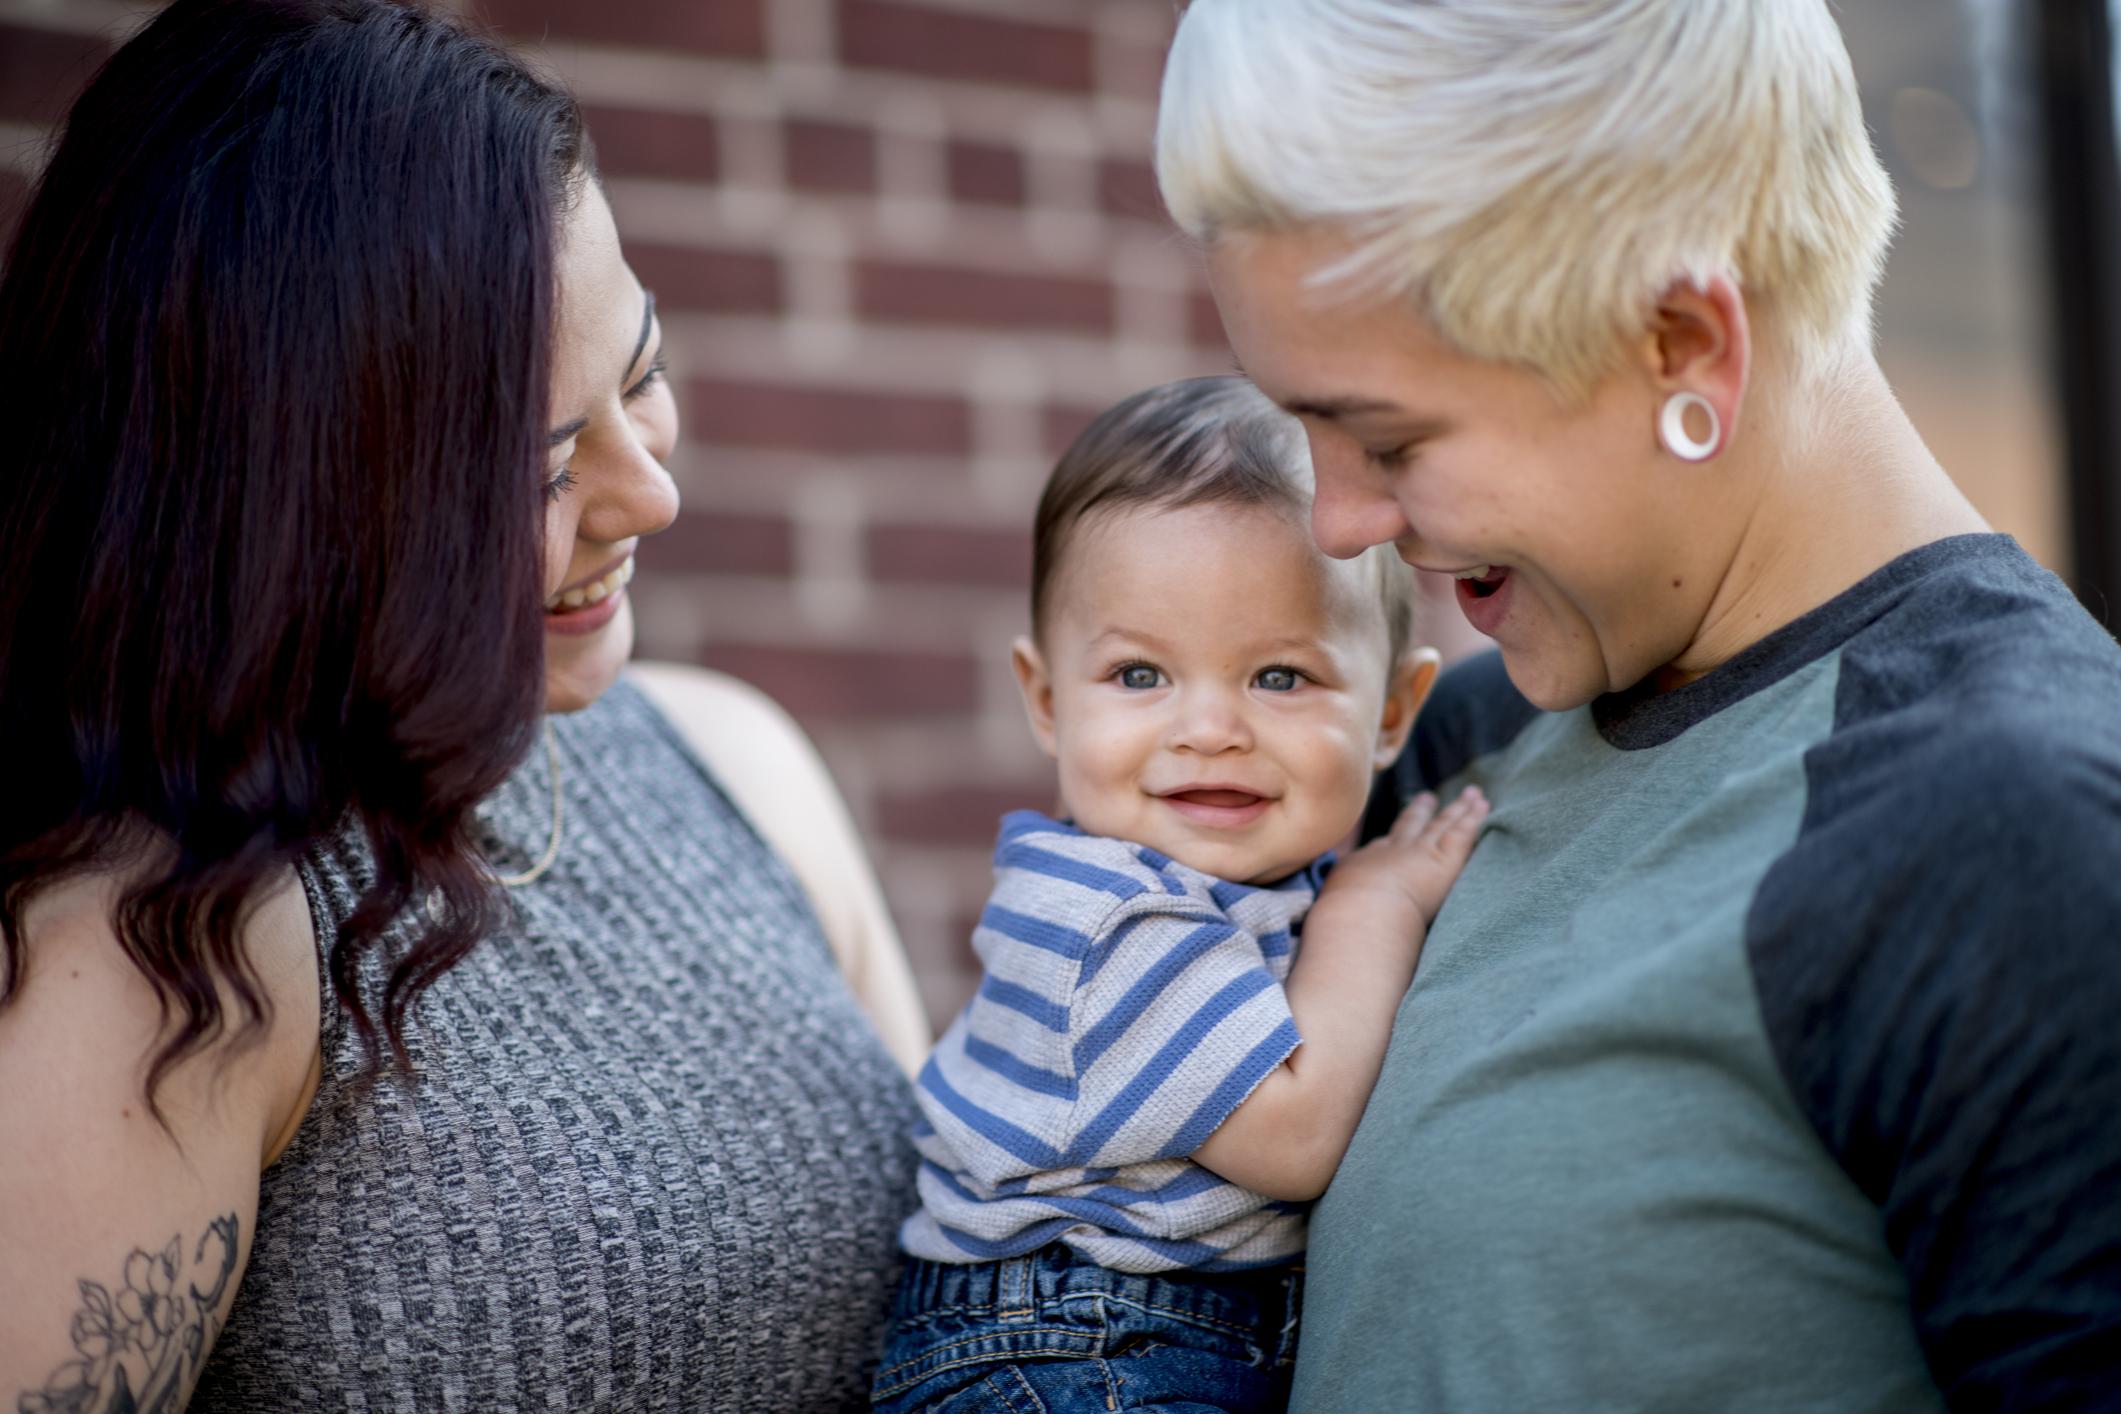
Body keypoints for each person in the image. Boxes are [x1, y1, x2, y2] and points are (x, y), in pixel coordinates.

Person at [1155, 0, 2121, 1409]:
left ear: (1680, 342)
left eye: (1384, 435)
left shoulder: (2019, 832)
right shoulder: (1460, 750)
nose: (1340, 518)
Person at [0, 2, 926, 1409]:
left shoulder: (733, 763)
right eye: (545, 464)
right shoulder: (169, 948)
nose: (652, 493)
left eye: (646, 372)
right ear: (295, 502)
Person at [870, 377, 1489, 1413]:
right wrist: (1374, 907)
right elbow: (1290, 1140)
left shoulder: (1227, 882)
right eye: (1142, 675)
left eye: (1280, 678)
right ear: (1046, 699)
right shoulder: (1103, 915)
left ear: (1393, 711)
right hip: (1070, 1346)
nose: (1209, 728)